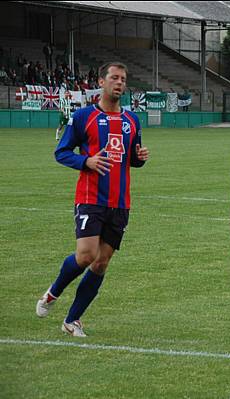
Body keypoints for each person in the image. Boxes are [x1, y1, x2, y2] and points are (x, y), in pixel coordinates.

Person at [36, 61, 150, 337]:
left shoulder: (132, 120)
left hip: (120, 202)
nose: (119, 83)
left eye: (123, 78)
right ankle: (52, 294)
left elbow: (131, 159)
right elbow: (61, 152)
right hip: (90, 197)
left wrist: (139, 158)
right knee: (86, 255)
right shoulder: (84, 116)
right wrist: (86, 161)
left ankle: (71, 320)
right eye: (114, 77)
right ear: (101, 82)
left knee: (102, 263)